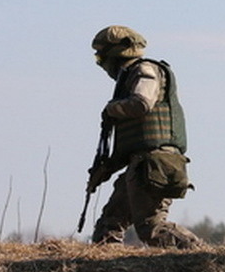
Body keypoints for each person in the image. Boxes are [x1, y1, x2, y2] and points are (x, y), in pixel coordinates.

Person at [86, 25, 202, 249]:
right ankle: (111, 268)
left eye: (101, 58)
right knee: (108, 227)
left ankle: (201, 255)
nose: (101, 65)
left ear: (114, 55)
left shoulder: (145, 70)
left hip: (154, 165)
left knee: (152, 228)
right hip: (141, 165)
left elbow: (142, 103)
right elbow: (133, 142)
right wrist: (105, 169)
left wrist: (112, 109)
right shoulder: (128, 79)